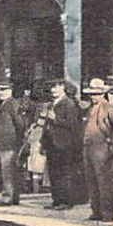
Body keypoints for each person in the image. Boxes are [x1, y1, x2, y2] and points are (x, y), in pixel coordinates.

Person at [82, 78, 113, 222]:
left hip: (102, 148)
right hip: (89, 148)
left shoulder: (109, 108)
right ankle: (96, 211)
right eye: (92, 94)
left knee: (104, 182)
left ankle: (107, 213)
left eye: (96, 94)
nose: (93, 96)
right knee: (91, 181)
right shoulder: (90, 109)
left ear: (103, 94)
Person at [44, 80, 85, 209]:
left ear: (63, 88)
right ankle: (56, 200)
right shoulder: (52, 104)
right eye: (52, 87)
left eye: (56, 87)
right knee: (54, 173)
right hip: (52, 143)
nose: (53, 90)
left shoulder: (69, 104)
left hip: (64, 144)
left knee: (64, 173)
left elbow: (73, 125)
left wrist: (55, 118)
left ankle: (66, 201)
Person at [0, 81, 29, 206]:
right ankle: (13, 196)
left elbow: (20, 123)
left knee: (7, 171)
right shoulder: (3, 104)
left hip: (9, 142)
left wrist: (18, 139)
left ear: (10, 91)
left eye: (4, 90)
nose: (1, 92)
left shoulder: (11, 104)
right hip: (4, 142)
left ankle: (8, 197)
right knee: (9, 170)